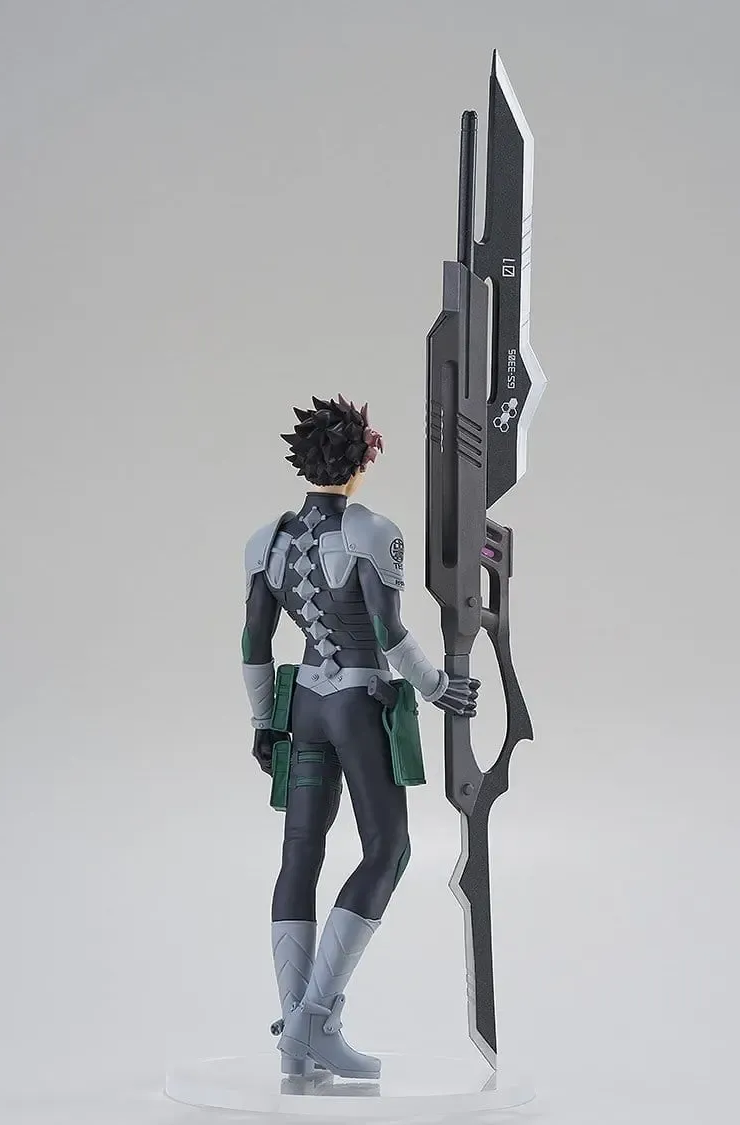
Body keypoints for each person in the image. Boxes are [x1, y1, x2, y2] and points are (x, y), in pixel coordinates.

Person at [241, 395, 478, 1080]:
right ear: (361, 459)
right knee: (389, 848)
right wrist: (436, 685)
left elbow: (255, 643)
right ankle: (314, 1020)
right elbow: (385, 630)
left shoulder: (267, 542)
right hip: (356, 700)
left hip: (304, 707)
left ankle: (297, 1030)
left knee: (300, 854)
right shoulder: (372, 532)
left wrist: (264, 719)